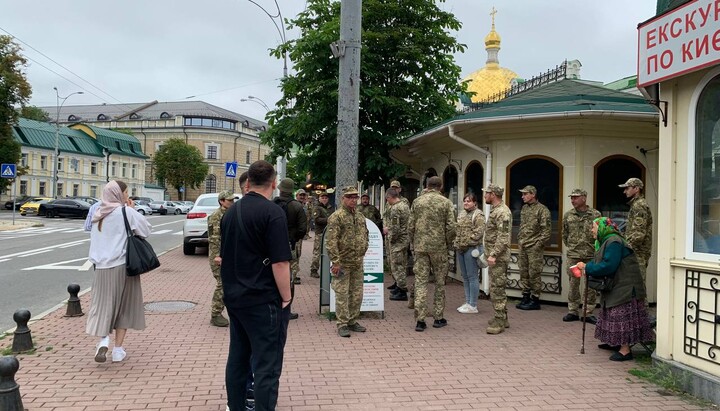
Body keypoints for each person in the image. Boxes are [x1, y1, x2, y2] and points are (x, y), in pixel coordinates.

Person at [220, 160, 292, 411]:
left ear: (248, 182)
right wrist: (286, 296)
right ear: (273, 183)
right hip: (263, 299)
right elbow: (280, 262)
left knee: (238, 359)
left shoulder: (231, 212)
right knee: (267, 366)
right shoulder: (273, 213)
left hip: (235, 297)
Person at [86, 180, 151, 363]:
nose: (127, 196)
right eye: (125, 193)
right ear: (118, 194)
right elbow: (145, 231)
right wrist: (132, 209)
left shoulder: (98, 214)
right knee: (124, 306)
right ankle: (118, 349)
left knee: (103, 304)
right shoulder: (126, 212)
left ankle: (103, 340)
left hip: (100, 268)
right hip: (123, 266)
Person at [575, 217, 654, 361]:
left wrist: (587, 267)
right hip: (618, 285)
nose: (592, 230)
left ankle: (625, 350)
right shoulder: (607, 241)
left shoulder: (614, 242)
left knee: (621, 316)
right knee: (612, 313)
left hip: (625, 287)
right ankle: (616, 343)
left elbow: (608, 265)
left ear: (602, 228)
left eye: (594, 227)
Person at [408, 176, 456, 332]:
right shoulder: (446, 203)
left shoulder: (417, 202)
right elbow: (451, 227)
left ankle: (420, 320)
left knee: (421, 282)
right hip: (439, 247)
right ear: (440, 187)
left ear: (427, 186)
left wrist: (414, 243)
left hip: (421, 247)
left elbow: (410, 226)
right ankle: (438, 317)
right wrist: (448, 243)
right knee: (440, 283)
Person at [326, 186, 369, 338]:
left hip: (357, 262)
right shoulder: (336, 217)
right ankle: (342, 324)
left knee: (357, 294)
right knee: (342, 294)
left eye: (355, 197)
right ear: (342, 198)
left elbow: (365, 234)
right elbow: (331, 242)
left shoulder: (360, 216)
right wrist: (336, 262)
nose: (353, 200)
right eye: (349, 197)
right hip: (342, 262)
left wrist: (363, 250)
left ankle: (352, 320)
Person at [562, 189, 601, 324]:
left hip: (591, 255)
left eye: (575, 198)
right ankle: (572, 310)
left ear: (584, 198)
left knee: (590, 285)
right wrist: (573, 246)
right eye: (571, 198)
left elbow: (599, 234)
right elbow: (564, 235)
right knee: (573, 283)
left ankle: (587, 312)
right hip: (574, 254)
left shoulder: (595, 214)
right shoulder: (568, 215)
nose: (573, 200)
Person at [273, 178, 307, 320]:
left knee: (273, 277)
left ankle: (274, 307)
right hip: (290, 246)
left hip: (273, 246)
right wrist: (294, 238)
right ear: (292, 190)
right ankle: (287, 309)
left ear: (280, 189)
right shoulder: (297, 206)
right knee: (289, 278)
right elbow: (303, 229)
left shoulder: (272, 204)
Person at [483, 184, 513, 334]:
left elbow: (503, 237)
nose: (485, 196)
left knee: (497, 289)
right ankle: (503, 317)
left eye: (486, 193)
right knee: (497, 288)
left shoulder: (502, 212)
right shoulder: (496, 210)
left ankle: (499, 321)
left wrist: (493, 254)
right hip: (495, 256)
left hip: (499, 258)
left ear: (493, 194)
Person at [619, 177, 653, 309]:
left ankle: (643, 316)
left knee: (638, 283)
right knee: (635, 283)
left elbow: (638, 234)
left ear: (636, 189)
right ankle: (639, 315)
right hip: (636, 251)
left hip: (638, 251)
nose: (625, 191)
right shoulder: (636, 205)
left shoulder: (639, 205)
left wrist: (626, 248)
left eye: (627, 188)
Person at [516, 185, 551, 310]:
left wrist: (538, 245)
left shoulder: (542, 210)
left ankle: (535, 299)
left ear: (533, 195)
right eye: (523, 194)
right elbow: (522, 226)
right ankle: (525, 296)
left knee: (534, 273)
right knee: (523, 272)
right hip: (523, 245)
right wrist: (520, 240)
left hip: (534, 247)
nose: (523, 196)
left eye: (525, 194)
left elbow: (546, 231)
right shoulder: (524, 208)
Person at [207, 190, 238, 327]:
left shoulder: (230, 214)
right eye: (229, 200)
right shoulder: (216, 216)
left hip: (228, 254)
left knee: (229, 283)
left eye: (233, 200)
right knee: (222, 284)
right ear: (221, 201)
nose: (232, 202)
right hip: (218, 256)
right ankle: (215, 314)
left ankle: (229, 310)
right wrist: (218, 256)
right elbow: (215, 239)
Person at [454, 192, 485, 314]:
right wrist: (457, 243)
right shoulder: (462, 214)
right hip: (461, 249)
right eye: (465, 201)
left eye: (469, 201)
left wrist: (466, 242)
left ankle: (473, 304)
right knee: (465, 277)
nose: (466, 203)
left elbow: (479, 232)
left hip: (471, 249)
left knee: (472, 277)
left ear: (475, 203)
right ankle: (468, 301)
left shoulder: (479, 215)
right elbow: (457, 230)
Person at [385, 187, 410, 301]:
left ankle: (402, 290)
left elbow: (395, 228)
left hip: (398, 241)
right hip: (405, 239)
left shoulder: (395, 208)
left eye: (387, 199)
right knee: (402, 264)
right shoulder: (405, 205)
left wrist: (391, 238)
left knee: (397, 265)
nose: (387, 201)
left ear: (390, 197)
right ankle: (400, 286)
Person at [310, 191, 334, 278]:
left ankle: (329, 269)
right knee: (317, 252)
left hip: (330, 233)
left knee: (331, 251)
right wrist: (328, 220)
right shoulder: (317, 208)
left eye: (326, 198)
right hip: (320, 233)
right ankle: (314, 270)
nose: (324, 199)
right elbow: (316, 220)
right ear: (319, 199)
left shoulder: (331, 208)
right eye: (322, 198)